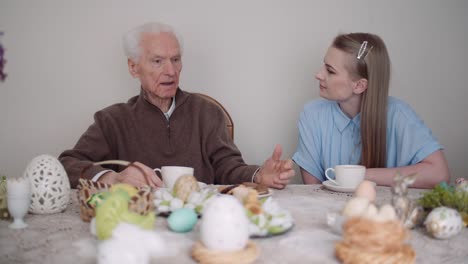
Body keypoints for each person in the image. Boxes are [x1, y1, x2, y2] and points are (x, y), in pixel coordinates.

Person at [59, 22, 294, 189]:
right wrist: (112, 178)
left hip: (199, 224)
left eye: (176, 59)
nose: (170, 71)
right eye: (158, 61)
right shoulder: (111, 120)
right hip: (138, 226)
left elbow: (228, 167)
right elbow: (66, 164)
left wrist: (258, 175)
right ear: (133, 67)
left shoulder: (207, 113)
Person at [293, 33, 449, 189]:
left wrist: (360, 175)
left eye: (330, 71)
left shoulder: (399, 114)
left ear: (359, 85)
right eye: (323, 66)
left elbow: (439, 174)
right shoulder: (312, 115)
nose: (318, 75)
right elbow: (312, 191)